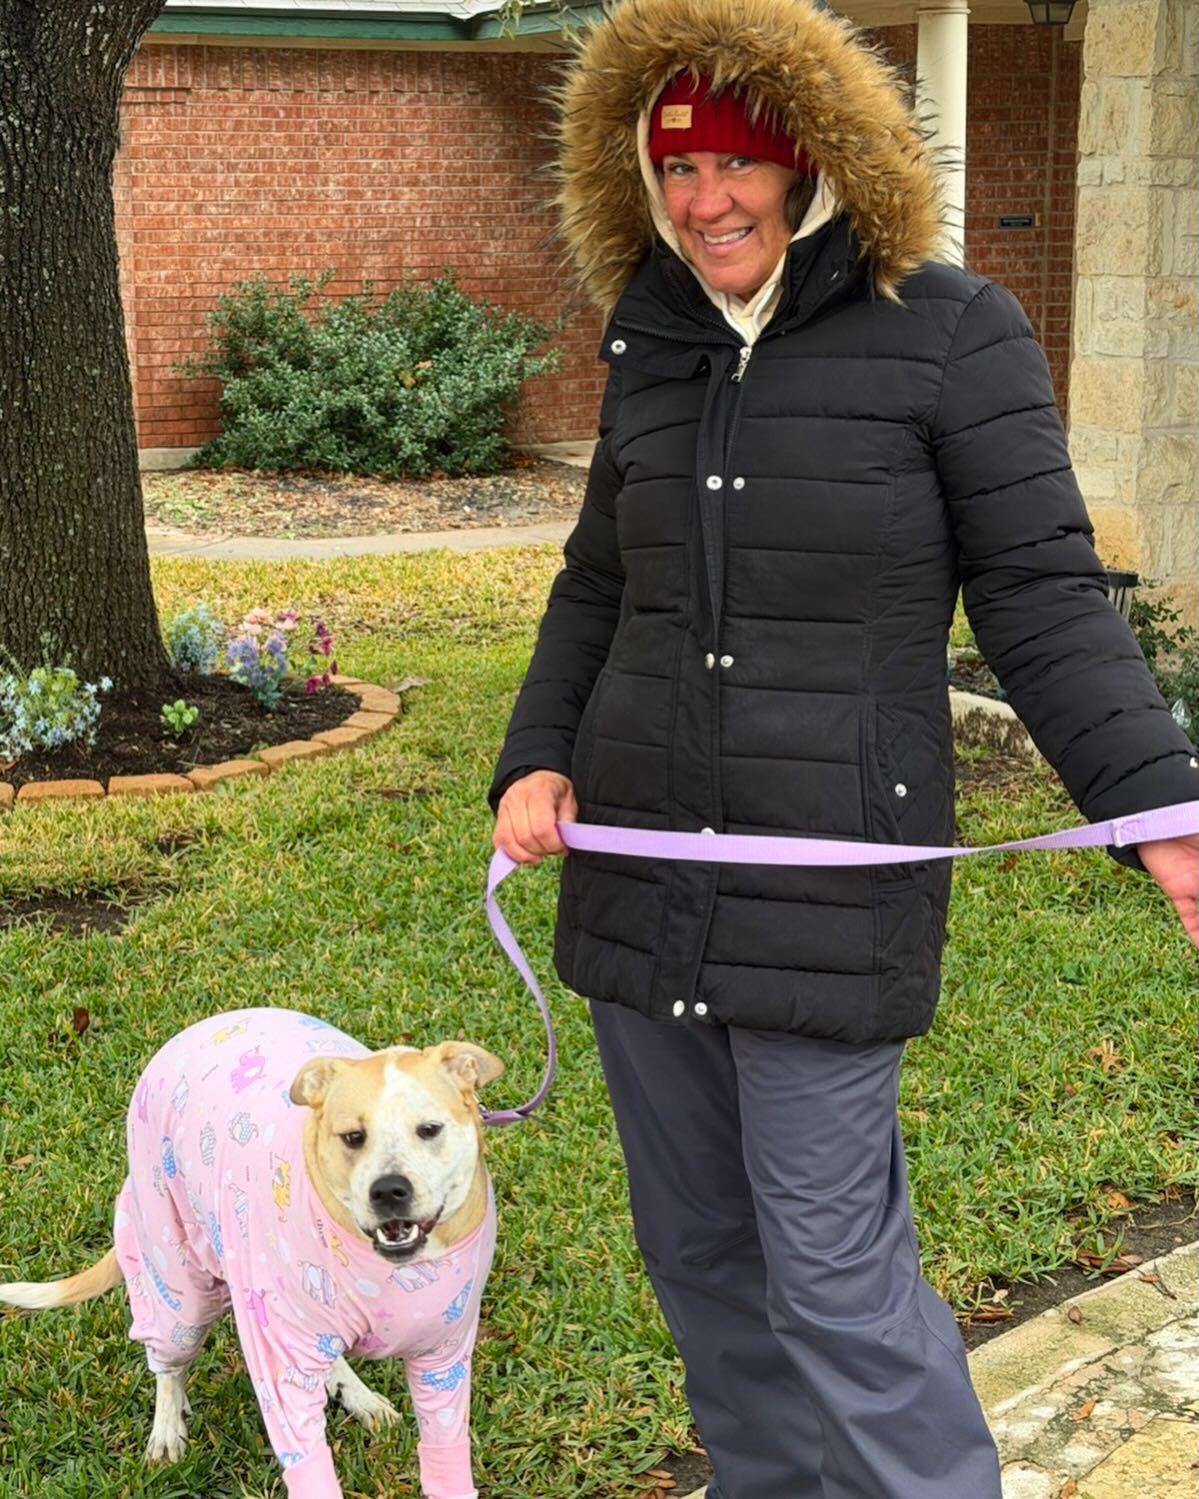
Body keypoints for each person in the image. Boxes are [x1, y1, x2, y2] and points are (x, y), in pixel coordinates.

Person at [489, 1, 1199, 1494]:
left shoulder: (952, 332)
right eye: (675, 167)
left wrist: (1159, 803)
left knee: (832, 1281)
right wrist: (536, 752)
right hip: (639, 878)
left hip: (827, 898)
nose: (706, 199)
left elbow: (1041, 598)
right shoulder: (653, 334)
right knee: (701, 1264)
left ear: (815, 163)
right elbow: (601, 579)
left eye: (739, 162)